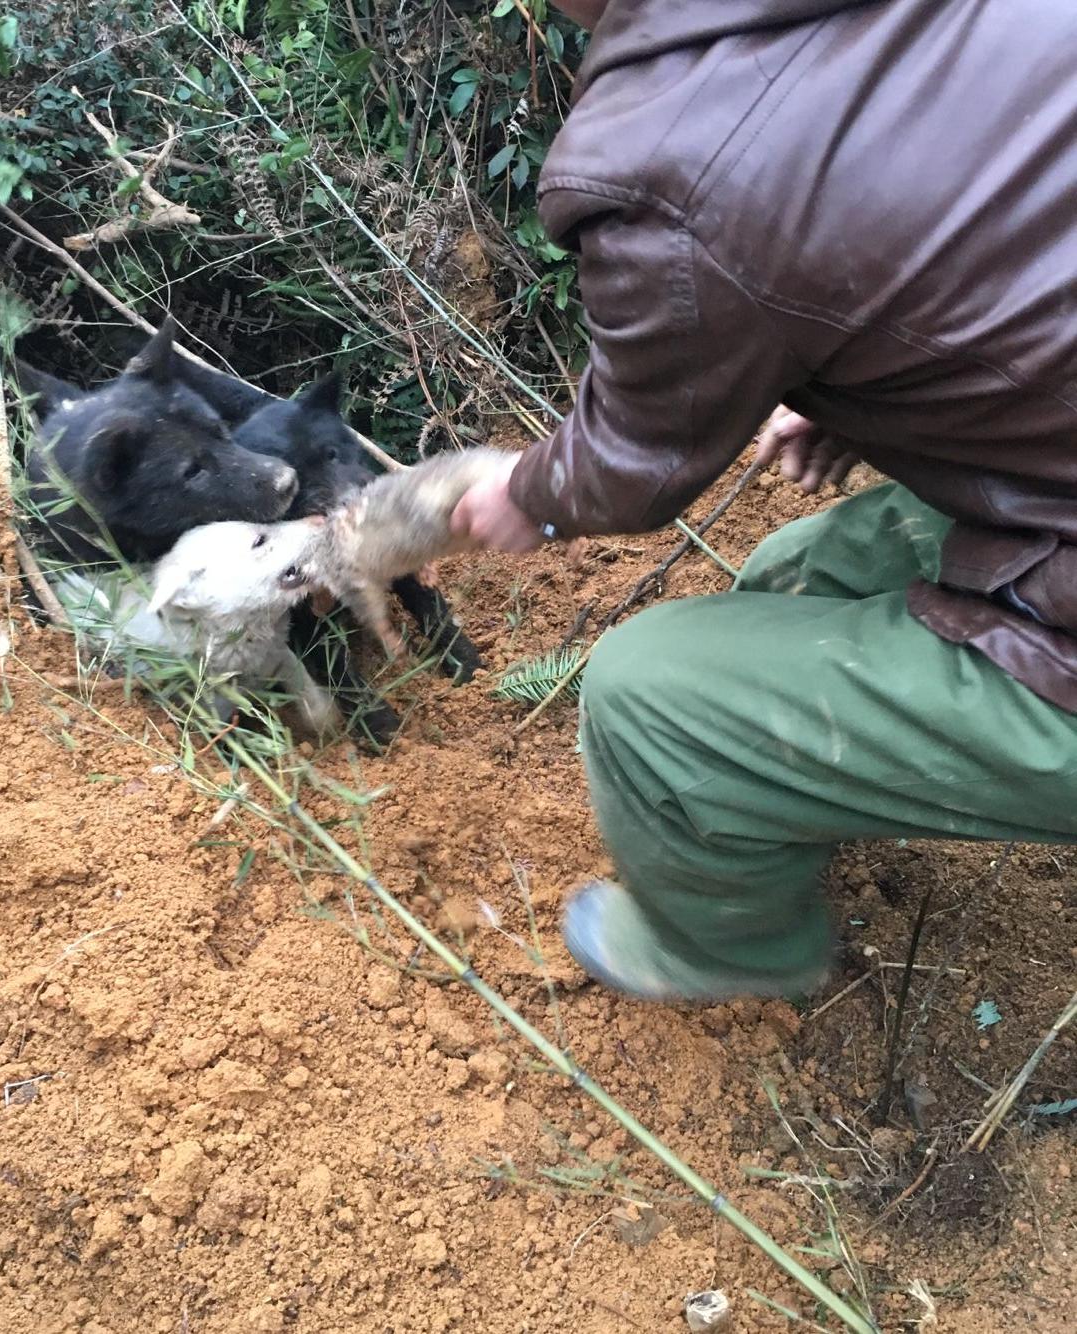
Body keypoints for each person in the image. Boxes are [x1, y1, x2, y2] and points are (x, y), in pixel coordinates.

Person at [449, 0, 1077, 1002]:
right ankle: (791, 797)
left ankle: (723, 946)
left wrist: (525, 490)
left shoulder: (659, 157)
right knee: (790, 577)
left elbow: (633, 462)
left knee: (645, 698)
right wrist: (868, 388)